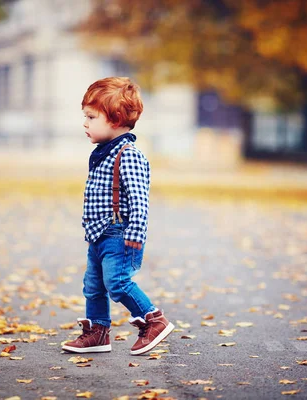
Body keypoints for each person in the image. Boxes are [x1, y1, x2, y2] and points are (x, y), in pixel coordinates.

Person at [62, 77, 174, 356]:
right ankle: (97, 333)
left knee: (118, 283)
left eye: (91, 117)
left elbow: (139, 201)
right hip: (98, 234)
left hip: (119, 234)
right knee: (93, 286)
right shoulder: (103, 153)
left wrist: (135, 235)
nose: (84, 123)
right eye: (84, 116)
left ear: (114, 119)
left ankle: (154, 320)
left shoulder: (128, 155)